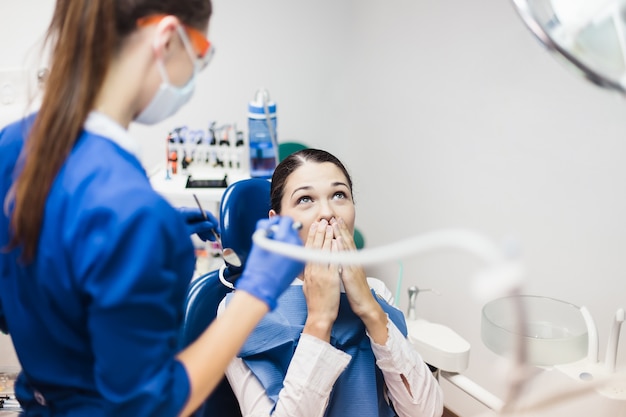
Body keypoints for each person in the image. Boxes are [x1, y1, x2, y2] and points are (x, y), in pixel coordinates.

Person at [0, 1, 304, 416]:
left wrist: (131, 257)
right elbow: (150, 406)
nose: (196, 70)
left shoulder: (11, 145)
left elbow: (18, 299)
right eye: (199, 54)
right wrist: (256, 291)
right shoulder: (133, 212)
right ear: (166, 38)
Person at [220, 148, 444, 417]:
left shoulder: (377, 292)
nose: (327, 212)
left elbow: (426, 412)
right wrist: (319, 320)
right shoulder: (239, 311)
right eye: (305, 199)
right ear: (277, 222)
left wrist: (370, 310)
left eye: (339, 195)